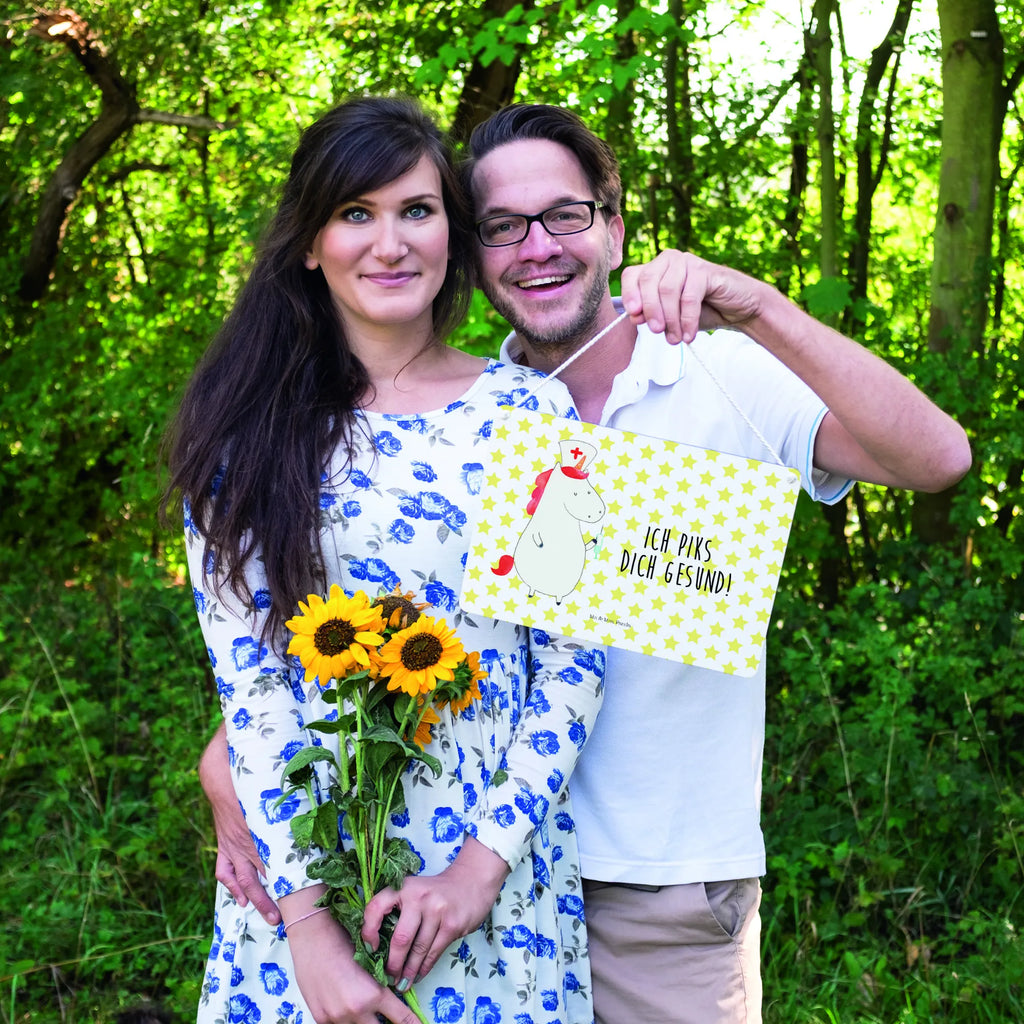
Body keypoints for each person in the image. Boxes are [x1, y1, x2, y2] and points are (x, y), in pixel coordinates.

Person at [202, 103, 972, 1024]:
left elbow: (938, 461)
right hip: (430, 878)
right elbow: (326, 634)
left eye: (564, 216)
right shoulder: (457, 418)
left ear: (612, 225)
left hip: (654, 888)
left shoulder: (711, 373)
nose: (537, 247)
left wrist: (759, 306)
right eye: (502, 227)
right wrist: (235, 769)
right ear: (474, 251)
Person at [165, 96, 606, 1024]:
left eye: (417, 210)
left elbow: (572, 662)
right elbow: (253, 691)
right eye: (355, 214)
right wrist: (311, 936)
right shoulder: (246, 436)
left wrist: (478, 873)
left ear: (452, 229)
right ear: (309, 243)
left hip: (493, 890)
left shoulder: (532, 415)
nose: (390, 243)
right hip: (302, 889)